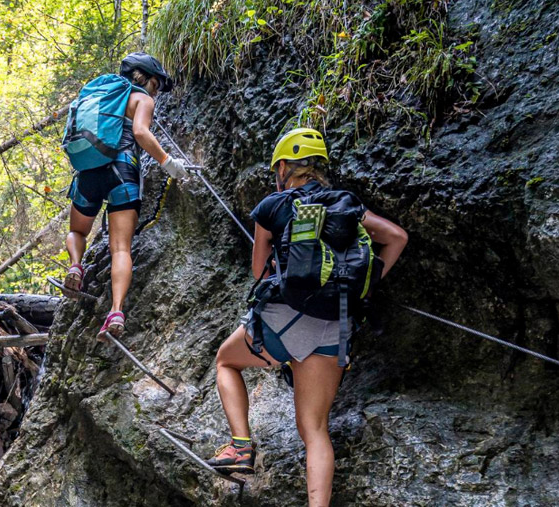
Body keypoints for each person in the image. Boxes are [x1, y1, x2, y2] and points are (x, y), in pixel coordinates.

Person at [205, 128, 408, 506]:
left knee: (226, 362)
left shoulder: (272, 206)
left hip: (283, 323)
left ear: (283, 167)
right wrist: (368, 282)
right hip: (334, 328)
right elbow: (396, 237)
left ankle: (240, 447)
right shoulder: (347, 203)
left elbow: (260, 273)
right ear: (320, 168)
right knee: (315, 431)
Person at [64, 52, 187, 339]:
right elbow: (141, 133)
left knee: (77, 231)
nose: (157, 90)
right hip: (122, 171)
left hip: (89, 172)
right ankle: (116, 312)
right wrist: (169, 163)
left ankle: (75, 267)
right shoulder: (141, 98)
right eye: (157, 84)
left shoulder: (99, 95)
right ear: (148, 78)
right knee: (121, 249)